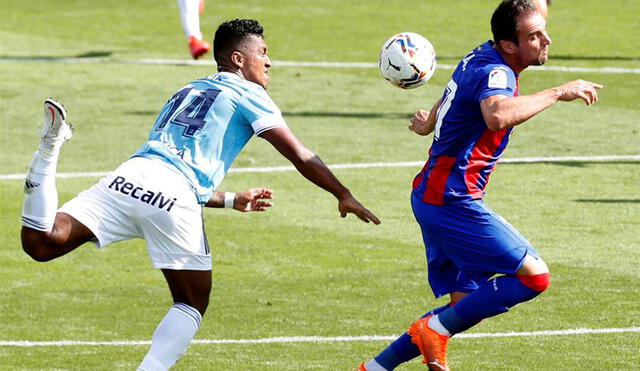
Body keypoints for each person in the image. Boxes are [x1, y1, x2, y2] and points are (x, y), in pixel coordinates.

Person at [21, 18, 380, 371]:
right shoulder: (250, 93)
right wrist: (342, 193)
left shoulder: (188, 89)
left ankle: (49, 149)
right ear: (238, 59)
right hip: (173, 195)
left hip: (129, 176)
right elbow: (300, 154)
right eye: (264, 53)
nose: (269, 62)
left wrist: (228, 199)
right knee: (192, 302)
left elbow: (168, 164)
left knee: (43, 241)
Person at [359, 1, 601, 370]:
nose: (546, 40)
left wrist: (432, 120)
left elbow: (458, 85)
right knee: (535, 276)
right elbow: (497, 115)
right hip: (451, 199)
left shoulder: (480, 54)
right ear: (508, 45)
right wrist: (557, 92)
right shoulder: (497, 71)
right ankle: (433, 331)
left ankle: (373, 369)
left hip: (432, 194)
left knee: (465, 305)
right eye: (534, 36)